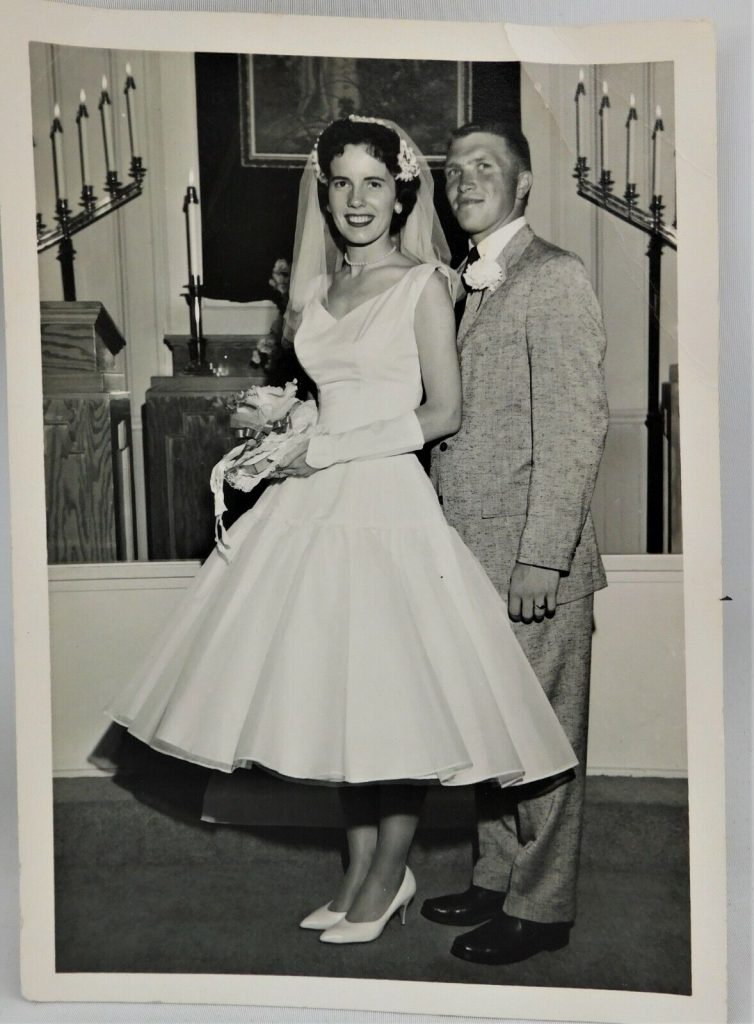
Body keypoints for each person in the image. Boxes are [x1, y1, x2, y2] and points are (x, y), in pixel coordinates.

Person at [106, 115, 577, 948]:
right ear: (323, 194)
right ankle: (363, 876)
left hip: (386, 505)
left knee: (392, 706)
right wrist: (285, 426)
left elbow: (443, 411)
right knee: (340, 701)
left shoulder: (425, 283)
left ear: (402, 192)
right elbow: (337, 387)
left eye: (373, 182)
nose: (357, 200)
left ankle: (389, 875)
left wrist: (322, 448)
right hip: (313, 507)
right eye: (341, 183)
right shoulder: (317, 294)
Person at [422, 121, 609, 965]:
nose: (466, 180)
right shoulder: (463, 282)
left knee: (542, 734)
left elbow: (574, 428)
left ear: (524, 185)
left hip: (533, 558)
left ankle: (543, 906)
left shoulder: (554, 277)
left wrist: (543, 555)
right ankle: (498, 876)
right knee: (493, 726)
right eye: (455, 169)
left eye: (486, 166)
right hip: (468, 555)